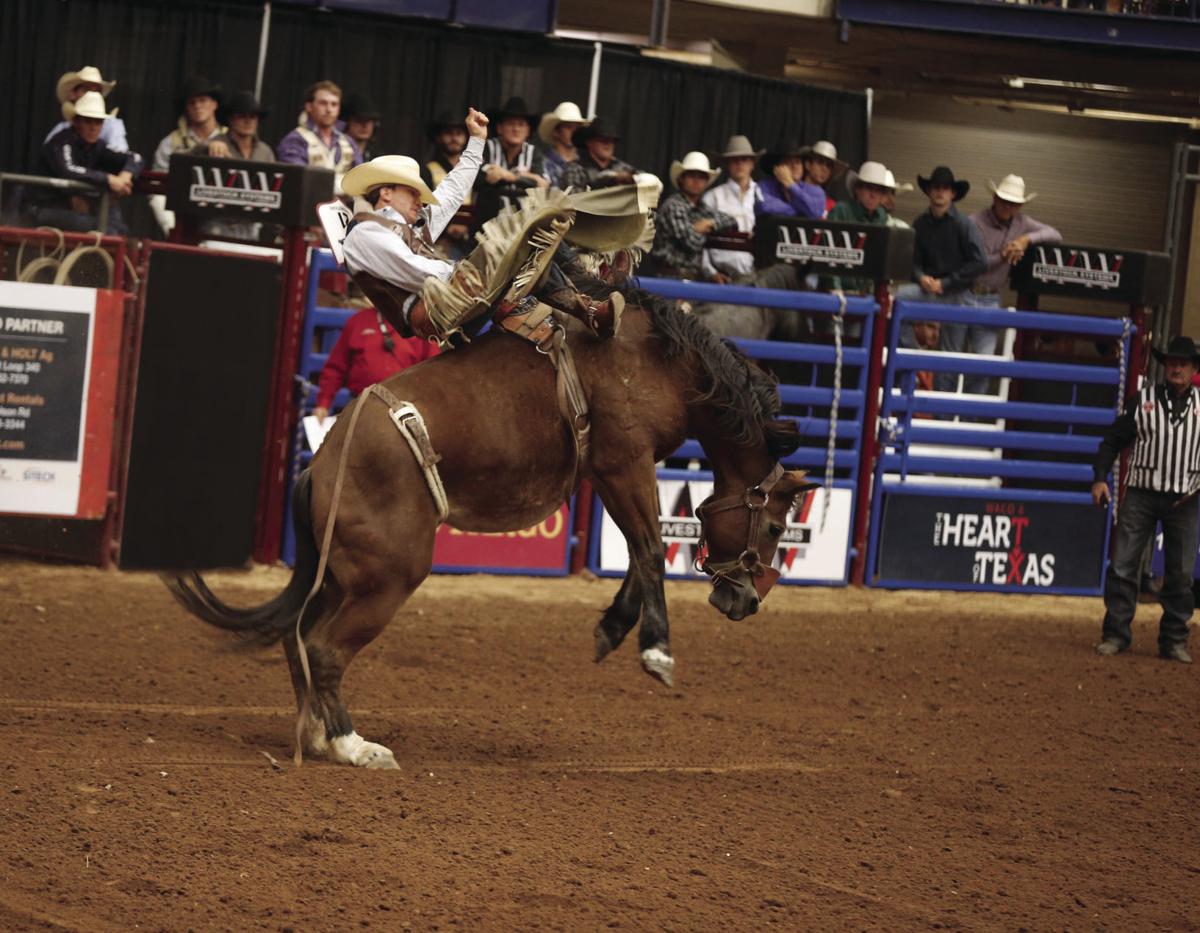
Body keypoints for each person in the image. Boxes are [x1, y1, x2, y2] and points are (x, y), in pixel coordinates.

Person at [340, 107, 622, 347]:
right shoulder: (366, 232)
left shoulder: (408, 225)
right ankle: (573, 303)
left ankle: (584, 303)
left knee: (533, 232)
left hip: (446, 300)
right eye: (412, 192)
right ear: (385, 193)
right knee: (526, 232)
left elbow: (451, 191)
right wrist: (471, 269)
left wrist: (476, 141)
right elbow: (414, 270)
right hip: (436, 311)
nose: (419, 199)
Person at [1092, 336, 1200, 664]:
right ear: (1164, 366)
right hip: (1140, 493)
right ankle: (1115, 634)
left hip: (1185, 499)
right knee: (1123, 565)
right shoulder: (1143, 401)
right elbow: (1112, 440)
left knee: (1180, 573)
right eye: (1171, 362)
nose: (1176, 367)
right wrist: (1099, 478)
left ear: (1194, 369)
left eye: (1182, 363)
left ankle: (1174, 640)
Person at [910, 165, 987, 393]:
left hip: (956, 293)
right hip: (928, 290)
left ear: (952, 193)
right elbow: (912, 260)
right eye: (936, 188)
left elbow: (980, 261)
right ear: (929, 192)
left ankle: (940, 413)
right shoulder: (920, 223)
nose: (940, 193)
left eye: (944, 189)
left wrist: (947, 282)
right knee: (897, 303)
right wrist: (921, 277)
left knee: (949, 356)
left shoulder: (963, 224)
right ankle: (914, 358)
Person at [37, 91, 143, 232]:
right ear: (76, 121)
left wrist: (125, 176)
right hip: (44, 208)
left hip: (73, 209)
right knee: (108, 230)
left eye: (98, 122)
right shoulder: (61, 142)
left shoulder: (98, 146)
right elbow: (68, 169)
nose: (93, 127)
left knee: (120, 230)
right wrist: (109, 179)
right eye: (88, 121)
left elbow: (135, 158)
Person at [312, 307, 439, 423]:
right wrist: (323, 403)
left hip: (404, 411)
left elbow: (432, 373)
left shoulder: (420, 326)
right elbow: (335, 368)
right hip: (359, 407)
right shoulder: (358, 321)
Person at [147, 76, 226, 236]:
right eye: (192, 102)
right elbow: (157, 187)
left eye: (203, 100)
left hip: (221, 213)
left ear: (214, 104)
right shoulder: (171, 143)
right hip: (182, 212)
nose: (197, 106)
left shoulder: (231, 140)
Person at [650, 152, 737, 281]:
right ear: (681, 179)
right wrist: (697, 229)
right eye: (691, 175)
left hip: (692, 279)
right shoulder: (673, 206)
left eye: (701, 177)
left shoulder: (702, 208)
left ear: (706, 182)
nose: (696, 181)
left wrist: (709, 223)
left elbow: (731, 221)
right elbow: (692, 242)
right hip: (669, 278)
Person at [276, 80, 361, 192]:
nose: (329, 109)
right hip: (308, 204)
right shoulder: (295, 140)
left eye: (334, 104)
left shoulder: (348, 142)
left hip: (344, 206)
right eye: (323, 103)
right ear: (309, 106)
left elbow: (362, 179)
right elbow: (298, 179)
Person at [823, 160, 894, 295]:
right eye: (868, 188)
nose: (873, 195)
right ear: (858, 189)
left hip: (865, 291)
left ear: (882, 195)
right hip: (836, 289)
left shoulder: (882, 217)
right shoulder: (841, 211)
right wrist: (835, 287)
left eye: (878, 190)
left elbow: (880, 257)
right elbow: (828, 250)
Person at [700, 135, 762, 283]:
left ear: (752, 164)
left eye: (744, 159)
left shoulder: (762, 196)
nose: (739, 163)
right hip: (720, 276)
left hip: (754, 277)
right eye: (734, 160)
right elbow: (700, 240)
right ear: (728, 164)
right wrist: (710, 272)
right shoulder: (713, 197)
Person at [420, 111, 473, 259]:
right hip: (438, 242)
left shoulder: (473, 170)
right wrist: (447, 228)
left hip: (470, 241)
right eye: (449, 133)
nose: (454, 138)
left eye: (459, 133)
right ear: (439, 138)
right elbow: (422, 209)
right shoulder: (427, 170)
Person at [44, 66, 128, 153]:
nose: (93, 127)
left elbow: (121, 157)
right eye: (86, 90)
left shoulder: (111, 125)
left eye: (96, 92)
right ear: (73, 94)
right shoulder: (60, 131)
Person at [755, 140, 833, 219]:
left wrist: (791, 185)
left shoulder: (815, 191)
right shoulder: (764, 186)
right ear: (777, 168)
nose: (794, 166)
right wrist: (800, 212)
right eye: (788, 162)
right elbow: (762, 205)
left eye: (798, 162)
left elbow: (816, 212)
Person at [559, 117, 638, 191]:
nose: (607, 144)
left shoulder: (623, 168)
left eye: (611, 140)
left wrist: (633, 179)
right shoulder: (575, 169)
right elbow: (574, 200)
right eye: (602, 140)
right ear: (589, 142)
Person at [194, 90, 273, 162]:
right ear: (230, 119)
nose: (248, 121)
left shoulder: (265, 151)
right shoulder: (216, 143)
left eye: (252, 117)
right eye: (242, 116)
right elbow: (188, 156)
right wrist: (207, 146)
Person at [538, 101, 589, 188]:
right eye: (568, 127)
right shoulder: (542, 162)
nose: (574, 131)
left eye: (577, 127)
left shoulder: (586, 161)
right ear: (556, 132)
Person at [799, 140, 847, 217]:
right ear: (807, 164)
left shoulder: (832, 206)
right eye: (820, 162)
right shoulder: (789, 191)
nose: (825, 169)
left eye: (829, 166)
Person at [342, 93, 381, 162]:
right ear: (348, 121)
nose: (365, 125)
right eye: (359, 120)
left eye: (369, 120)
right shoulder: (337, 153)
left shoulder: (378, 159)